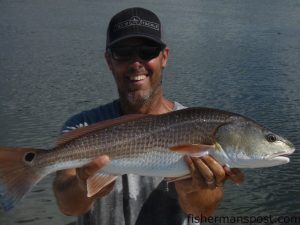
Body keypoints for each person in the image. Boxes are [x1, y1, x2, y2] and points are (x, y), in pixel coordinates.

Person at [53, 7, 244, 225]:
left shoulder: (198, 128)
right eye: (123, 51)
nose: (136, 63)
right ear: (109, 60)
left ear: (164, 57)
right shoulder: (83, 127)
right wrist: (83, 184)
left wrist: (194, 188)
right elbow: (67, 206)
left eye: (148, 50)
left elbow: (202, 213)